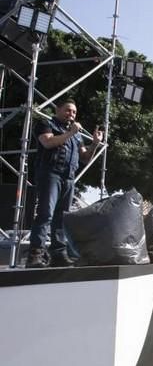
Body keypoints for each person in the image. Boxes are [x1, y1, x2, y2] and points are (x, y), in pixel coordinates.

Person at [26, 98, 103, 268]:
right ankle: (35, 255)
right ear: (57, 110)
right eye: (68, 110)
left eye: (74, 112)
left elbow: (85, 158)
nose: (71, 114)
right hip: (50, 174)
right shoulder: (46, 124)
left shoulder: (75, 137)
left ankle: (58, 254)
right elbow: (47, 142)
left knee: (62, 218)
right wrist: (70, 133)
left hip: (68, 178)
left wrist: (95, 144)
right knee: (46, 213)